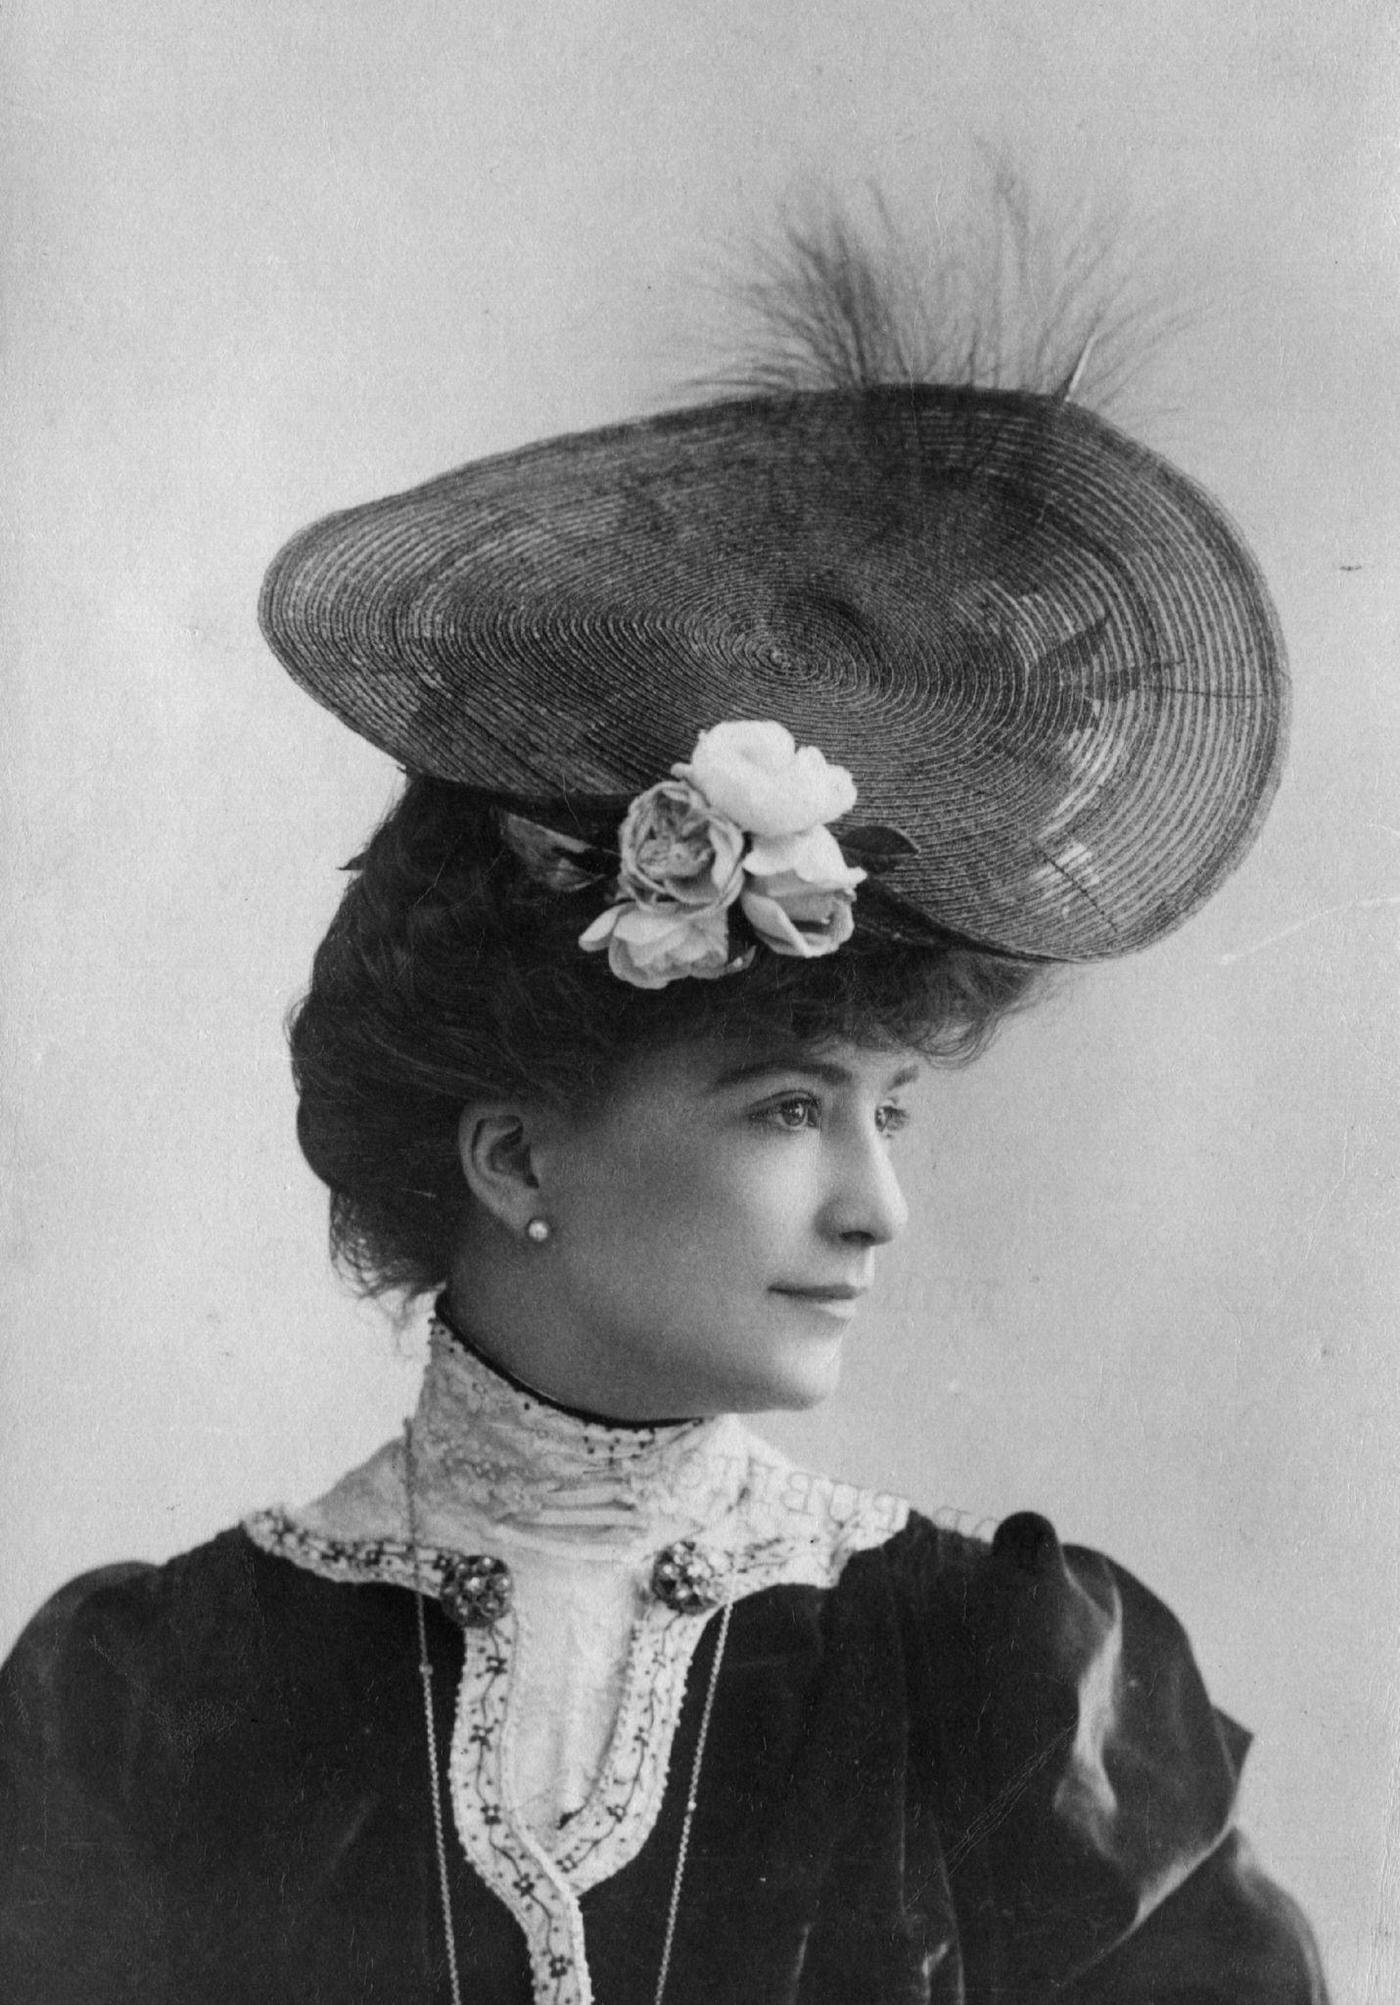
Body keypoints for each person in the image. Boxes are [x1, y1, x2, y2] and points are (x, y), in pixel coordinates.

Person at [0, 222, 1330, 2003]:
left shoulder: (1004, 1682)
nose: (876, 1207)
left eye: (891, 1114)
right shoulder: (147, 1703)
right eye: (791, 1107)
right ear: (515, 1151)